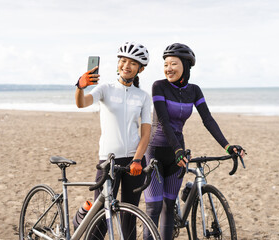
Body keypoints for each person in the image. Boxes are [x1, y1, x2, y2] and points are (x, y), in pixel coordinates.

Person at [144, 43, 244, 239]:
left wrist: (227, 146)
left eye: (173, 63)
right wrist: (177, 149)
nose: (168, 68)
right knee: (154, 207)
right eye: (165, 64)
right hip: (155, 152)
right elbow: (163, 121)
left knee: (169, 207)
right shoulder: (159, 86)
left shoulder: (195, 91)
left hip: (177, 156)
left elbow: (208, 120)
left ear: (186, 66)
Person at [75, 41, 152, 237]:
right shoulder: (105, 89)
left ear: (140, 69)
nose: (126, 66)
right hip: (108, 160)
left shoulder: (143, 96)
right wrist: (80, 87)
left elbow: (145, 133)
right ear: (118, 64)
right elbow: (82, 103)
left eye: (132, 63)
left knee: (129, 216)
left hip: (134, 162)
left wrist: (137, 159)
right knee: (101, 215)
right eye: (123, 61)